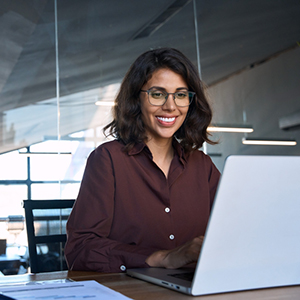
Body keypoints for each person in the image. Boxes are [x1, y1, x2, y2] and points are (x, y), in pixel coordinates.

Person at [65, 48, 220, 273]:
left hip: (196, 289)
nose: (170, 106)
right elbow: (80, 249)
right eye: (157, 94)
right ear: (136, 99)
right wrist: (161, 257)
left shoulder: (203, 166)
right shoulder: (108, 160)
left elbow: (233, 231)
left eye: (181, 94)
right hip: (133, 291)